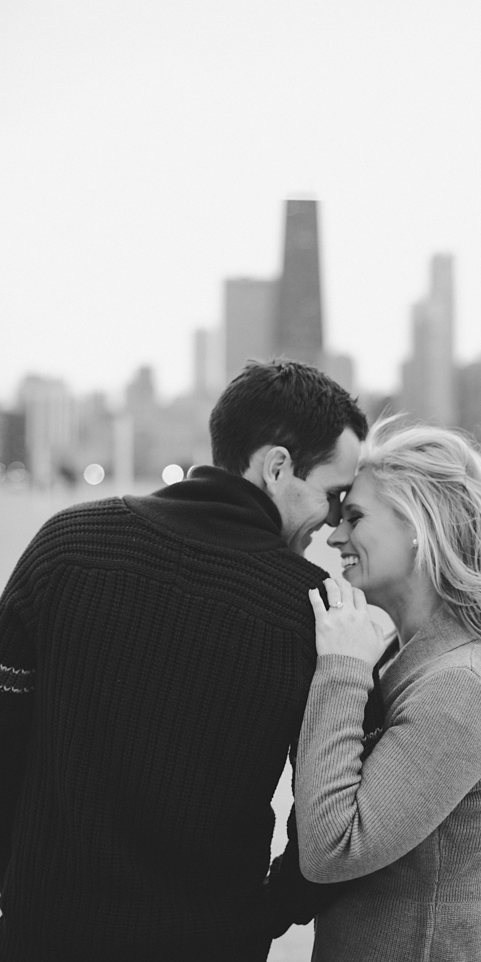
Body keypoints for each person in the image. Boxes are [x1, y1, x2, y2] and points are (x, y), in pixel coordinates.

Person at [0, 360, 367, 962]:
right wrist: (267, 912)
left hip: (42, 937)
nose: (330, 522)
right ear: (276, 467)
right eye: (332, 496)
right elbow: (336, 810)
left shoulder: (66, 547)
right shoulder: (313, 612)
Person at [295, 418, 481, 962]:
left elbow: (332, 849)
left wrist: (340, 668)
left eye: (355, 517)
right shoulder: (417, 656)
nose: (334, 535)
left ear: (418, 526)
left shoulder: (463, 684)